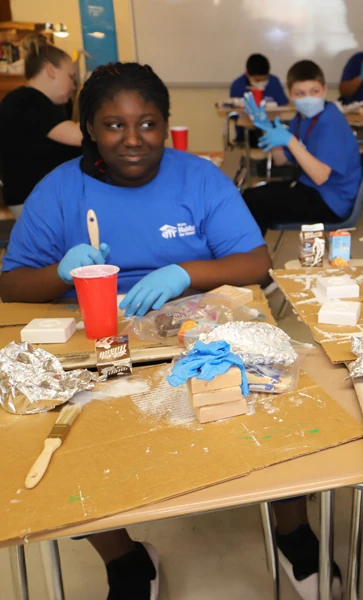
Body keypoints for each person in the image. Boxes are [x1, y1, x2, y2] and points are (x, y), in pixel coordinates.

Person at [0, 61, 272, 598]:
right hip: (95, 342)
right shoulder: (59, 190)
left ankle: (294, 534)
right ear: (89, 129)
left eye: (147, 123)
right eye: (113, 125)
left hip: (195, 334)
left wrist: (185, 272)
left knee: (266, 399)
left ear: (165, 124)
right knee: (48, 442)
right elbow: (11, 284)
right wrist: (60, 273)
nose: (132, 139)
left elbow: (257, 262)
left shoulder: (199, 179)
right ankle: (124, 559)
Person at [242, 60, 361, 234]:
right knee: (248, 197)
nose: (308, 98)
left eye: (314, 91)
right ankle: (250, 249)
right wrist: (266, 128)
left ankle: (251, 250)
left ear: (325, 90)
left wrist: (290, 140)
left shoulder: (331, 121)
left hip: (331, 200)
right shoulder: (300, 118)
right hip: (309, 188)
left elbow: (320, 177)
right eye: (300, 93)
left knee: (255, 203)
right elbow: (282, 160)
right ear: (290, 95)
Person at [0, 33, 81, 219]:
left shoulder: (39, 103)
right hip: (34, 199)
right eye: (70, 77)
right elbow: (79, 136)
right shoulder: (27, 100)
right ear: (51, 70)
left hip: (40, 197)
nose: (72, 86)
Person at [230, 53, 288, 147]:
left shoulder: (274, 82)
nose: (260, 83)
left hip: (272, 127)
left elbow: (283, 105)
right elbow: (233, 114)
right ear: (247, 74)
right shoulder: (238, 85)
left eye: (263, 80)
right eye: (257, 80)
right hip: (248, 131)